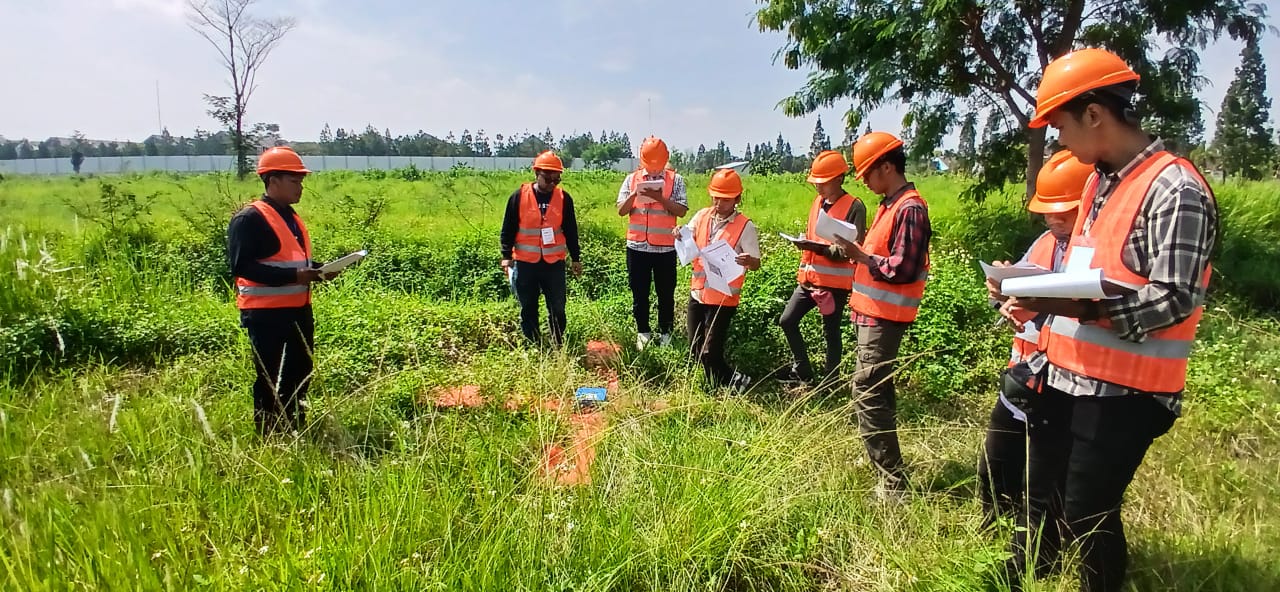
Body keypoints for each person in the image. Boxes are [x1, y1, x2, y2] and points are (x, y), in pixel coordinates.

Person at [997, 48, 1218, 592]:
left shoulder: (1177, 190)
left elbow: (1173, 300)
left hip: (1128, 394)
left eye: (1061, 125)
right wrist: (1035, 294)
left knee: (1088, 515)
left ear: (1095, 114)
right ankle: (1028, 576)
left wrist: (1083, 308)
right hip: (1070, 376)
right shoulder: (1099, 181)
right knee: (1046, 496)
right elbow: (1089, 270)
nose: (1059, 141)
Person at [977, 150, 1091, 530]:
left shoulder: (1091, 251)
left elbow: (1088, 312)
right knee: (997, 460)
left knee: (1049, 479)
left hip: (1067, 381)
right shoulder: (1044, 242)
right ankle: (994, 527)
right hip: (1024, 374)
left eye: (1065, 211)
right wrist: (1002, 294)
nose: (1055, 218)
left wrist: (1037, 308)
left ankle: (1043, 548)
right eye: (1049, 210)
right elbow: (1015, 299)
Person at [831, 131, 932, 500]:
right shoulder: (891, 204)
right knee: (877, 389)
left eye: (868, 175)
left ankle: (892, 482)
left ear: (886, 167)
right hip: (871, 315)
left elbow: (903, 268)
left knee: (868, 391)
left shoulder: (910, 208)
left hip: (885, 318)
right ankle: (879, 459)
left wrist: (862, 258)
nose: (866, 184)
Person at [226, 146, 336, 437]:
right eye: (294, 180)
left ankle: (292, 423)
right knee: (267, 375)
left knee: (301, 369)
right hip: (265, 314)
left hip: (298, 308)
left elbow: (292, 259)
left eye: (301, 181)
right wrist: (297, 275)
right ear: (272, 180)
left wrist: (320, 269)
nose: (300, 187)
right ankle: (267, 433)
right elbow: (243, 267)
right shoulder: (249, 219)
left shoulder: (290, 216)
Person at [778, 150, 866, 387]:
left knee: (831, 332)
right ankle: (803, 369)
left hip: (834, 285)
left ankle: (830, 382)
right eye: (815, 182)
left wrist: (819, 249)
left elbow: (852, 249)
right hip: (808, 280)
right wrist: (805, 244)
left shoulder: (855, 207)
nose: (818, 187)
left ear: (839, 178)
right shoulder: (817, 202)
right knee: (787, 320)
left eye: (822, 182)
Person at [679, 168, 761, 391]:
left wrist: (748, 261)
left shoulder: (746, 226)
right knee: (696, 349)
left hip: (723, 298)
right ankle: (719, 384)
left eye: (725, 199)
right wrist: (680, 234)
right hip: (698, 292)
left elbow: (756, 263)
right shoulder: (702, 216)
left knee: (710, 351)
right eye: (715, 197)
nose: (719, 203)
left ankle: (735, 382)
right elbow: (688, 234)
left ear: (737, 198)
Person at [499, 150, 583, 346]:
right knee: (528, 307)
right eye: (548, 178)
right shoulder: (519, 197)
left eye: (557, 179)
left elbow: (571, 230)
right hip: (526, 263)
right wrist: (506, 256)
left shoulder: (564, 199)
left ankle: (557, 344)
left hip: (554, 264)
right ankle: (533, 344)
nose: (552, 183)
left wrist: (576, 258)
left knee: (557, 307)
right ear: (537, 172)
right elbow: (508, 229)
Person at [616, 136, 688, 350]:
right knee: (639, 293)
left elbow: (682, 210)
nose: (654, 170)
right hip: (637, 247)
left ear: (665, 160)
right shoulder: (632, 179)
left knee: (666, 293)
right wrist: (635, 194)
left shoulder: (676, 180)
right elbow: (621, 210)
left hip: (665, 248)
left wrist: (660, 198)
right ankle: (643, 332)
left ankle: (665, 333)